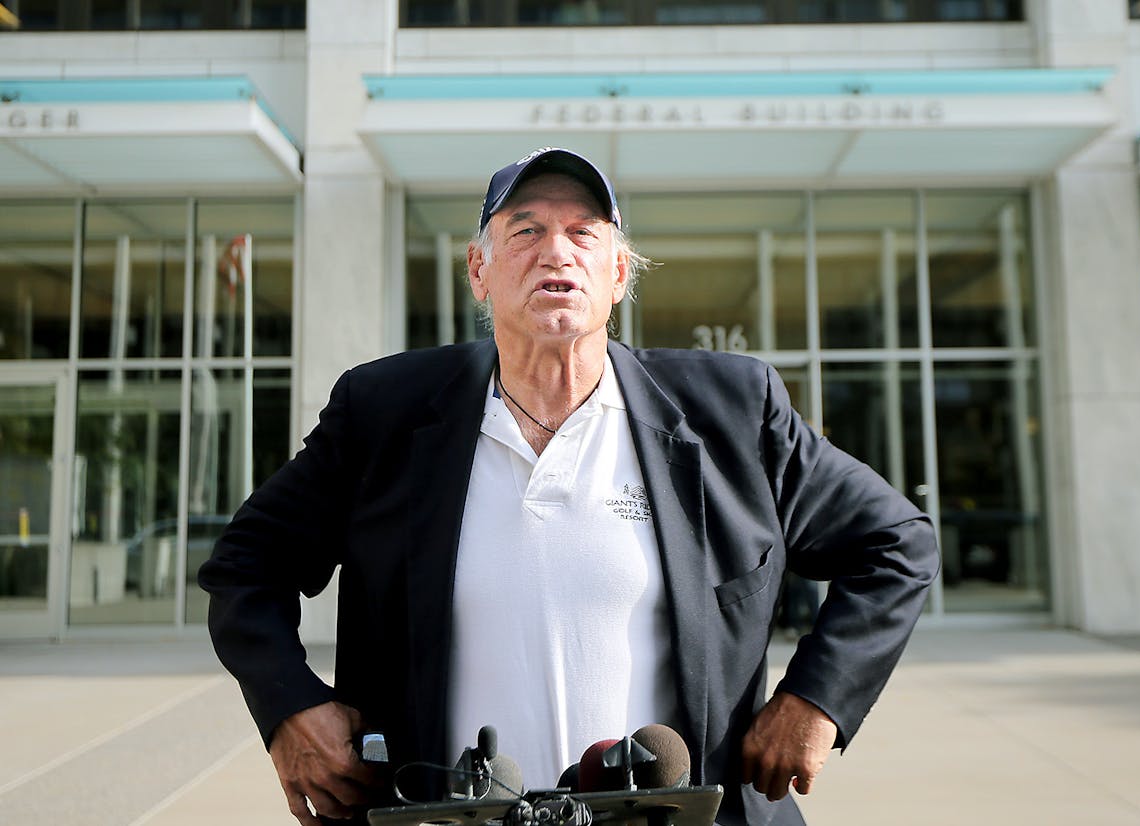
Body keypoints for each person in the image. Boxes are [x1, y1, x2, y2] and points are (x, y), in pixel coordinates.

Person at [199, 147, 939, 826]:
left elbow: (896, 543)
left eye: (585, 234)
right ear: (479, 271)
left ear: (619, 274)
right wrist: (289, 705)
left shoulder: (731, 411)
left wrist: (815, 700)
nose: (557, 252)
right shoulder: (384, 413)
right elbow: (246, 566)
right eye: (523, 232)